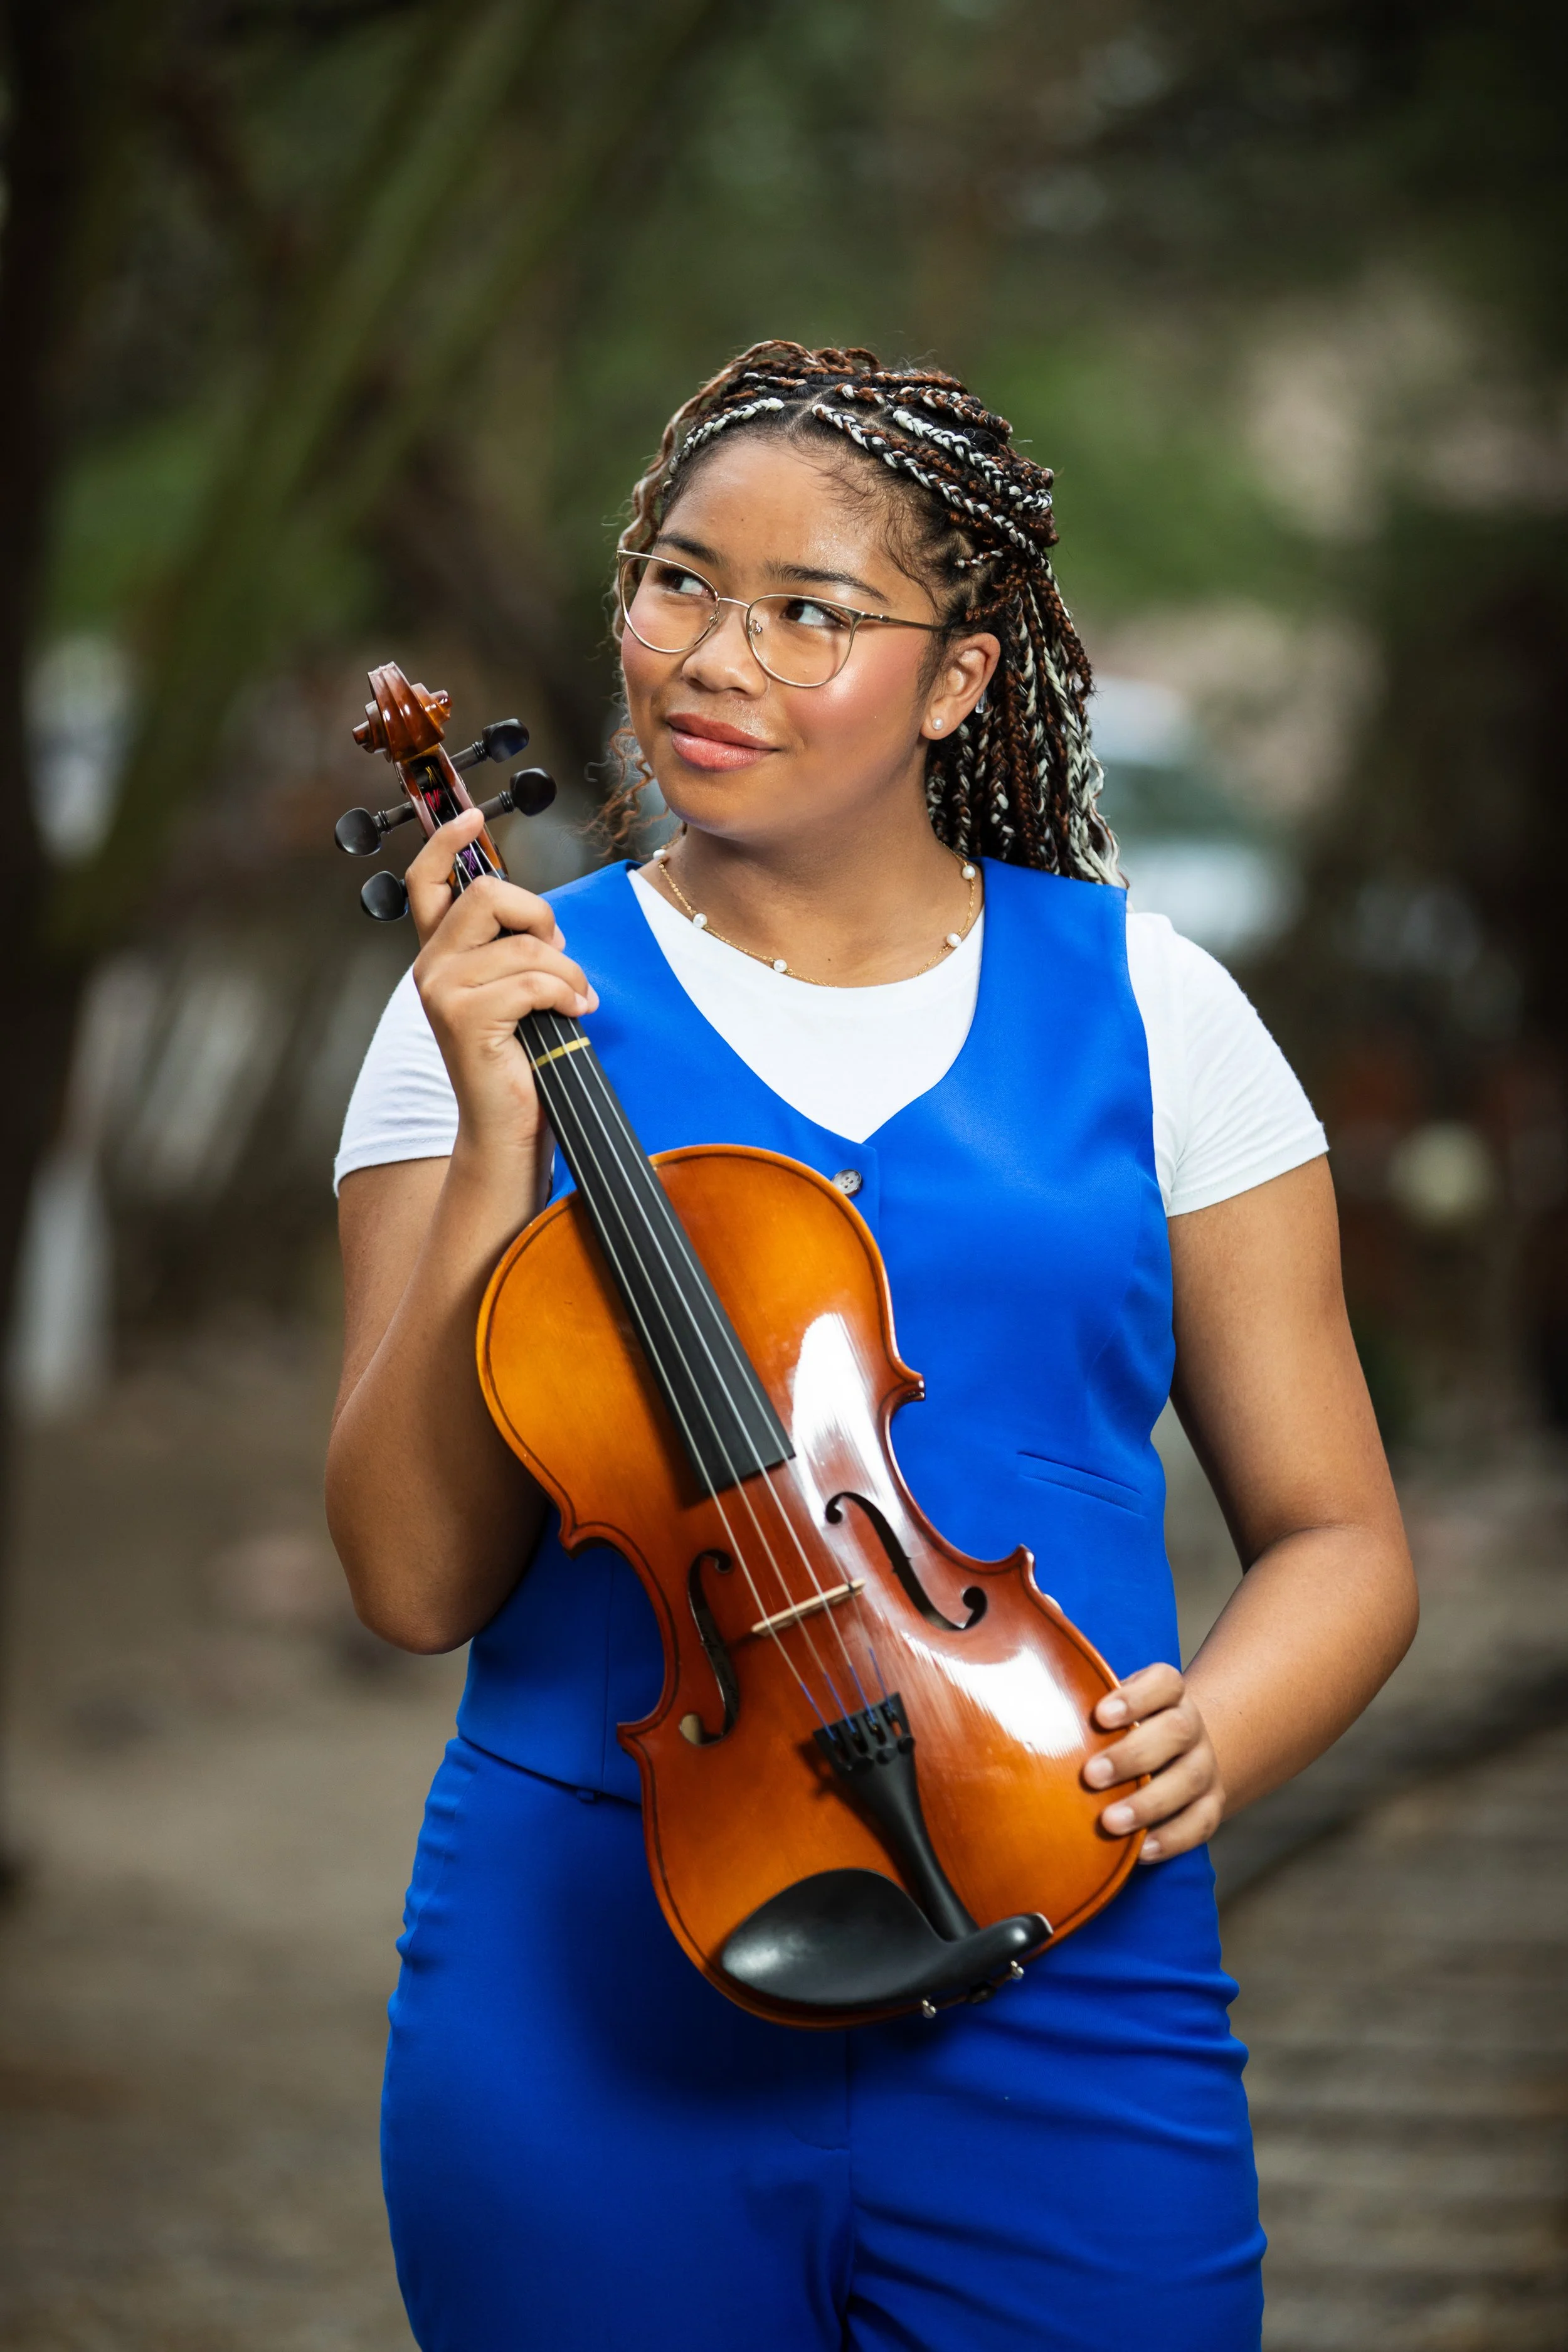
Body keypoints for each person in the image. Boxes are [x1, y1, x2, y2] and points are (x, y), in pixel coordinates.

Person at [326, 342, 1416, 2352]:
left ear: (960, 677)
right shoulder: (479, 1005)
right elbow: (408, 1578)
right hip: (587, 1976)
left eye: (807, 611)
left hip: (1065, 1946)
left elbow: (1340, 1533)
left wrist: (1213, 1739)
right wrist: (498, 1132)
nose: (712, 655)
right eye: (676, 580)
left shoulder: (1157, 1014)